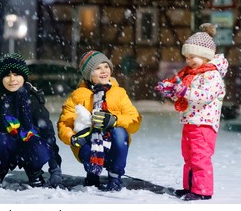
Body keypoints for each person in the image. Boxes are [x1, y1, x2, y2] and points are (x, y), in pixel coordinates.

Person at [0, 53, 62, 189]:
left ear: (24, 77)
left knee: (39, 144)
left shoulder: (33, 98)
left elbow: (48, 133)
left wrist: (55, 170)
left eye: (17, 74)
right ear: (1, 77)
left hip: (29, 147)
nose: (12, 79)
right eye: (7, 75)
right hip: (5, 147)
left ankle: (34, 173)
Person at [155, 23, 228, 201]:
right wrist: (171, 90)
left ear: (205, 55)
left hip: (204, 123)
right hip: (190, 121)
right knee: (188, 155)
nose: (188, 61)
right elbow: (185, 95)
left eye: (192, 56)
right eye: (186, 57)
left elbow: (204, 96)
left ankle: (202, 191)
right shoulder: (192, 73)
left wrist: (184, 91)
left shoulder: (212, 75)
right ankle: (190, 187)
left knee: (200, 157)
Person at [57, 50, 142, 191]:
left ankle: (114, 177)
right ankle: (92, 173)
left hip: (113, 146)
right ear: (88, 74)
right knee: (86, 135)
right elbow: (64, 123)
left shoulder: (119, 93)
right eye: (97, 68)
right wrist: (72, 138)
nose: (103, 71)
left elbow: (135, 120)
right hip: (89, 145)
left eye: (106, 66)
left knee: (120, 132)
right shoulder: (78, 96)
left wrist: (114, 120)